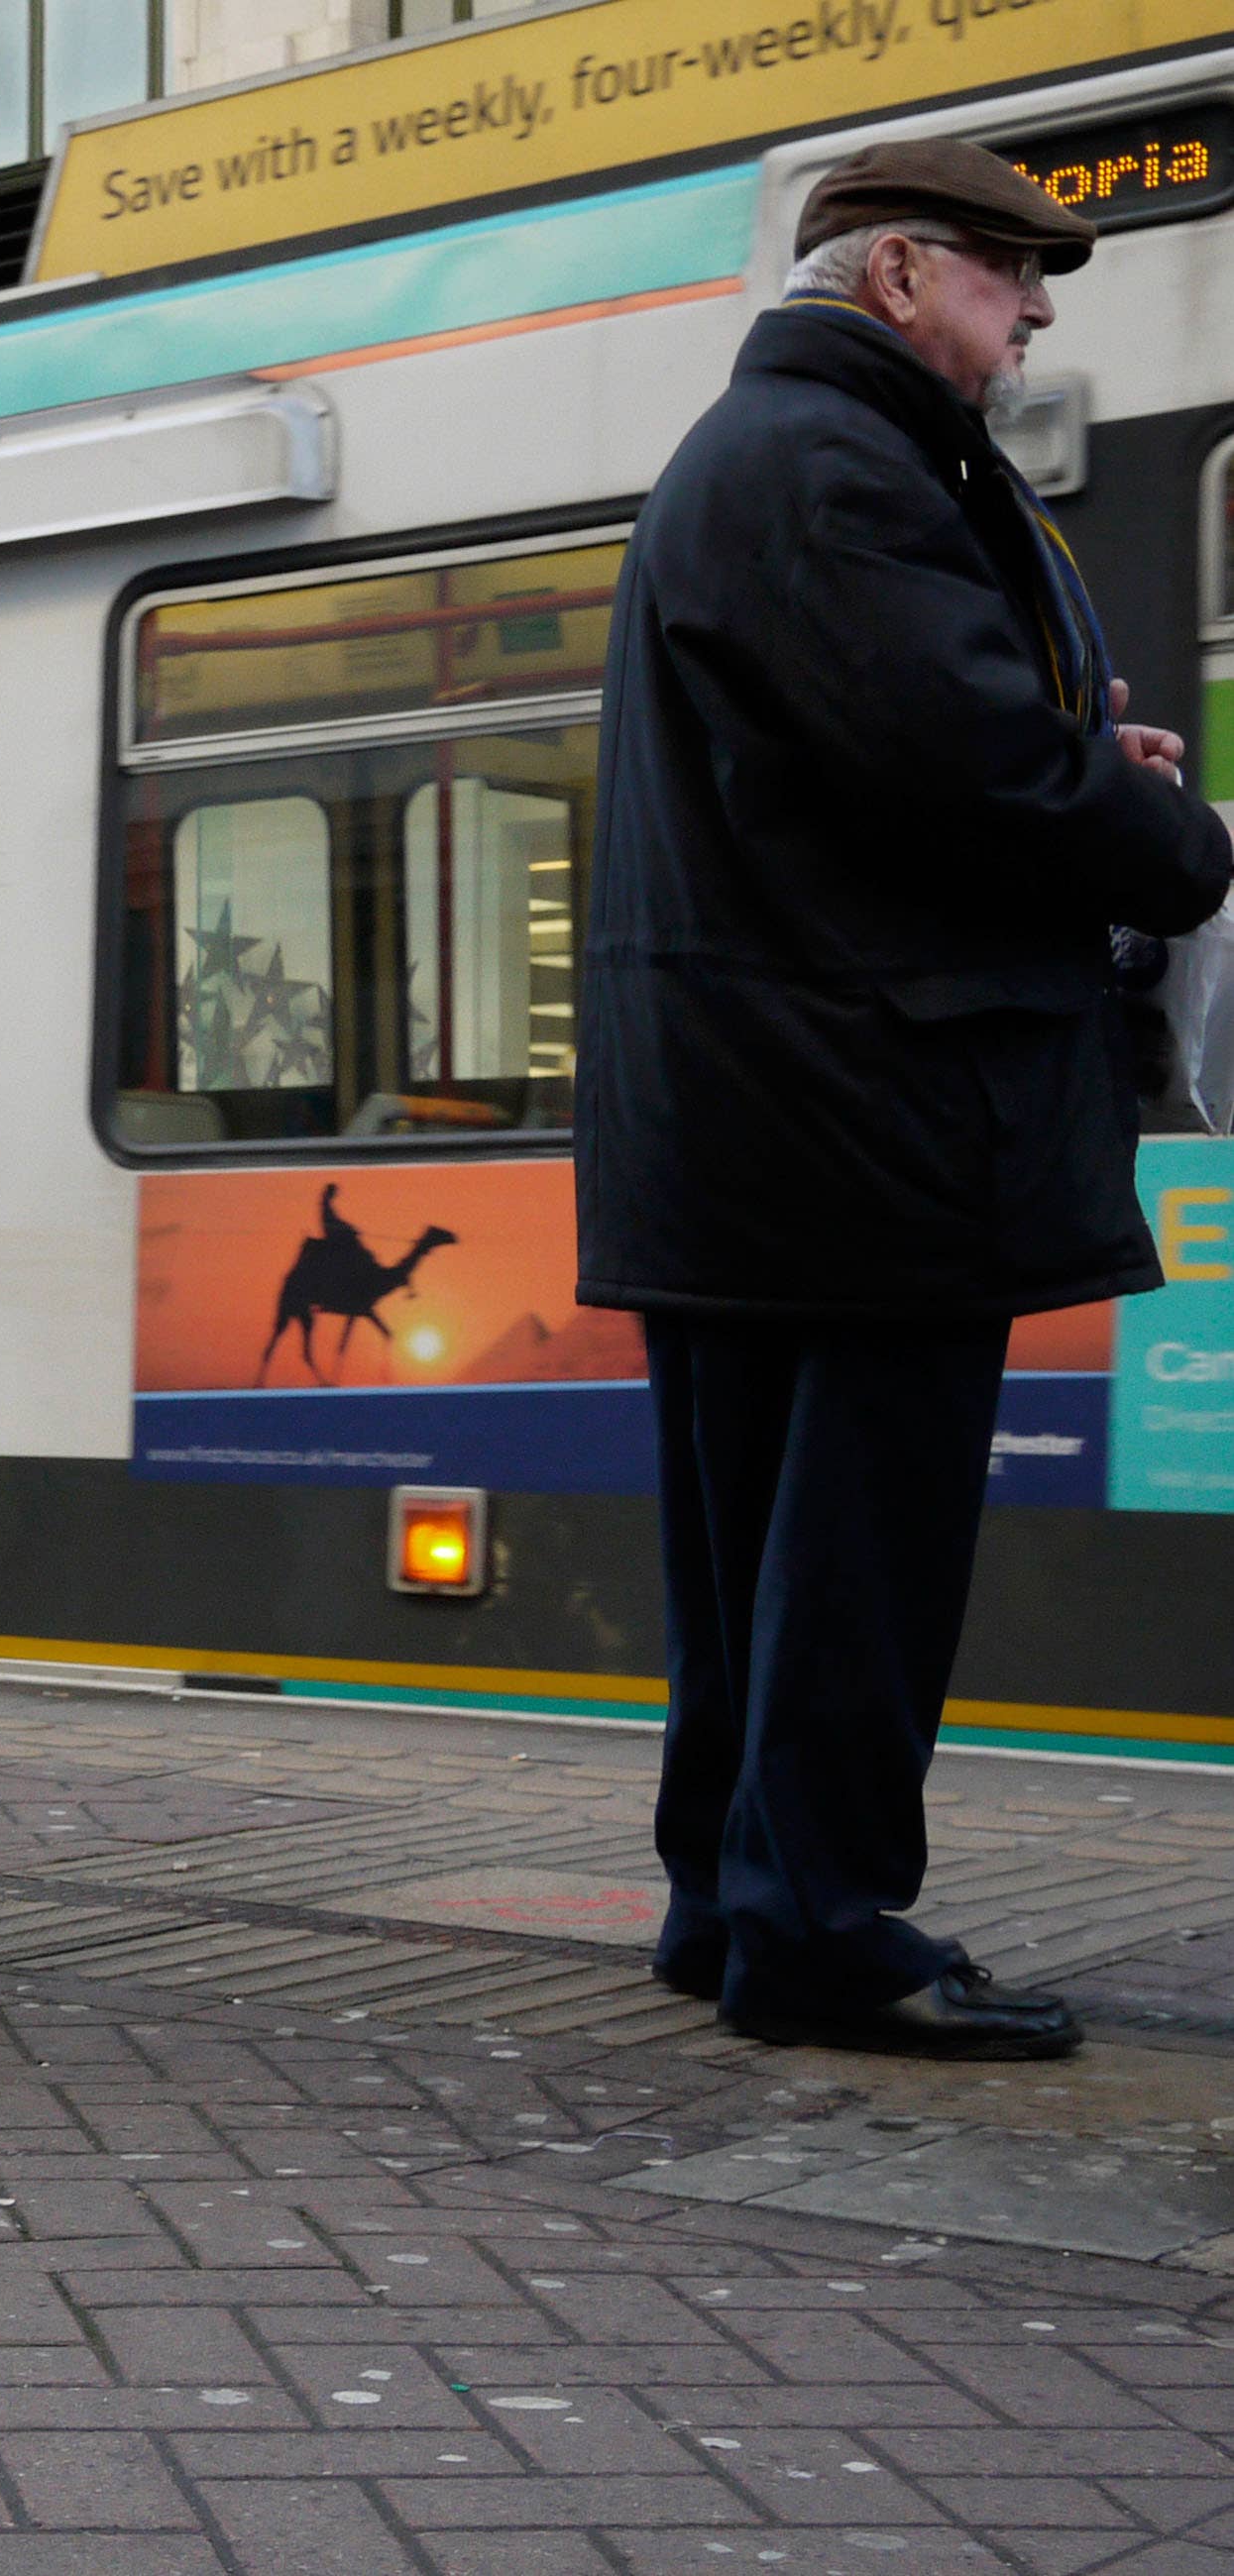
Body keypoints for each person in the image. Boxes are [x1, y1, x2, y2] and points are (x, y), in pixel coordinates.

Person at [576, 140, 1234, 2061]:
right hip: (864, 1111)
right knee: (857, 1559)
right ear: (899, 279)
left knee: (758, 1551)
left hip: (773, 1110)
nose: (1033, 315)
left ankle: (733, 1899)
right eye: (1012, 279)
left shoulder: (782, 458)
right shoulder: (835, 466)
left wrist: (1052, 749)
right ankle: (829, 1926)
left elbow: (872, 755)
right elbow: (966, 774)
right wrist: (1170, 834)